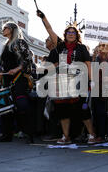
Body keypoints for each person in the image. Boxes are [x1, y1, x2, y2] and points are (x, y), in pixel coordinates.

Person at [37, 9, 98, 145]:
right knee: (62, 110)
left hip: (79, 82)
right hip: (62, 83)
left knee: (83, 109)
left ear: (77, 35)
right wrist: (43, 17)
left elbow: (88, 64)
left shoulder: (82, 48)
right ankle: (66, 137)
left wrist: (91, 81)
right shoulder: (59, 46)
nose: (71, 34)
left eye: (74, 32)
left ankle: (92, 135)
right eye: (69, 32)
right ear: (65, 35)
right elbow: (49, 29)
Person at [0, 22, 35, 143]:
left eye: (5, 28)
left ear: (11, 29)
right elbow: (3, 67)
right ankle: (7, 134)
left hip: (19, 79)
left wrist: (16, 69)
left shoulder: (20, 42)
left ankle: (29, 133)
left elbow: (28, 59)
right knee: (6, 107)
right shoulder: (6, 45)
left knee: (22, 105)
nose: (3, 30)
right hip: (7, 80)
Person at [92, 42, 108, 143]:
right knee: (98, 113)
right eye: (101, 45)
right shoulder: (95, 58)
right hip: (97, 89)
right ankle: (99, 135)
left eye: (105, 45)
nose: (103, 47)